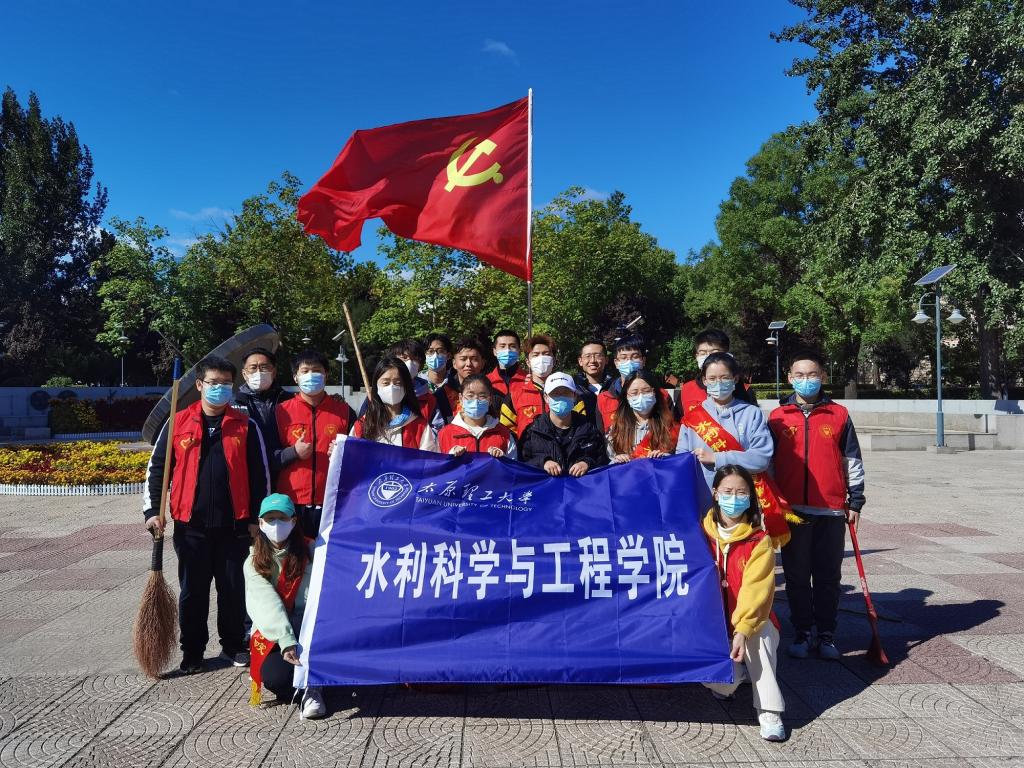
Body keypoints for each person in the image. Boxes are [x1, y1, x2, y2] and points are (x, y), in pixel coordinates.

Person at [143, 354, 270, 674]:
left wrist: (256, 518)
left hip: (235, 527)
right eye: (213, 383)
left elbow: (260, 475)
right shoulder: (178, 422)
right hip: (191, 527)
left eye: (226, 384)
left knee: (233, 590)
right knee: (193, 592)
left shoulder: (245, 425)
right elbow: (158, 469)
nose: (220, 388)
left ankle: (233, 645)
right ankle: (193, 651)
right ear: (199, 385)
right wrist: (152, 511)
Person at [768, 350, 865, 660]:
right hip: (792, 511)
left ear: (823, 376)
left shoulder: (839, 414)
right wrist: (770, 503)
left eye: (812, 374)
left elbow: (852, 460)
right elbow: (768, 464)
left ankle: (826, 634)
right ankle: (802, 631)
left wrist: (855, 500)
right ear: (789, 378)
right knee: (796, 576)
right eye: (799, 375)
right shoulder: (777, 417)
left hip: (831, 510)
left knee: (827, 577)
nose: (806, 380)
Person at [702, 465, 787, 742]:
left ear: (750, 496)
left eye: (741, 492)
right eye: (727, 491)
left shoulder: (759, 541)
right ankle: (736, 678)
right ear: (715, 493)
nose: (734, 498)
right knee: (723, 684)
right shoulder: (700, 534)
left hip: (750, 625)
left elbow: (756, 592)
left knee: (758, 633)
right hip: (714, 630)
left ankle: (769, 711)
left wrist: (742, 629)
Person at [676, 353, 790, 546]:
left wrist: (717, 458)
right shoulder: (693, 418)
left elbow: (761, 458)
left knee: (742, 553)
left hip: (741, 501)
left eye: (724, 378)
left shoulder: (751, 414)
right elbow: (681, 461)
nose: (718, 383)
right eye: (712, 378)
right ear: (704, 381)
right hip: (704, 500)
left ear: (735, 378)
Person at [244, 493, 324, 719]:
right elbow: (267, 604)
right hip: (277, 630)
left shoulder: (311, 550)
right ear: (261, 523)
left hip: (308, 625)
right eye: (270, 519)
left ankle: (313, 689)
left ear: (294, 521)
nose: (276, 524)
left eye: (282, 518)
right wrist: (287, 640)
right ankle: (306, 685)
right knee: (275, 678)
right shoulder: (254, 561)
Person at [275, 350, 357, 537]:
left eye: (317, 370)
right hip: (291, 502)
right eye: (305, 371)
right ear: (295, 377)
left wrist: (343, 453)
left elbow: (359, 455)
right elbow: (268, 458)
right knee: (296, 554)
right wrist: (293, 452)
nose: (311, 375)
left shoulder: (344, 411)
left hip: (333, 502)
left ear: (326, 374)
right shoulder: (281, 412)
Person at [519, 372, 609, 476]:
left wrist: (587, 463)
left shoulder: (589, 429)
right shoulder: (533, 431)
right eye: (555, 393)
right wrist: (543, 462)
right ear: (546, 397)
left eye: (566, 393)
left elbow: (601, 458)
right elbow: (521, 464)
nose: (561, 397)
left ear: (574, 396)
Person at [353, 356, 439, 451]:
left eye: (398, 383)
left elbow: (429, 458)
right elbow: (351, 455)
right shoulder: (363, 425)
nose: (392, 388)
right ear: (376, 386)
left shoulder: (419, 426)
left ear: (406, 387)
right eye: (386, 383)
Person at [597, 334, 679, 431]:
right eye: (624, 357)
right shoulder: (604, 399)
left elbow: (673, 430)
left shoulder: (662, 396)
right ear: (616, 363)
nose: (629, 362)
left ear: (643, 360)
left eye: (635, 357)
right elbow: (601, 434)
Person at [234, 347, 292, 483]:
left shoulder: (289, 400)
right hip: (248, 473)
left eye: (264, 367)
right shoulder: (233, 402)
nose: (258, 372)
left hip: (285, 471)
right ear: (244, 374)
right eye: (253, 368)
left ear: (274, 372)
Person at [359, 340, 440, 430]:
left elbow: (437, 429)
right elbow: (362, 427)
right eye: (404, 358)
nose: (410, 363)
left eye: (415, 359)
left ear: (421, 364)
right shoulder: (376, 396)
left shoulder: (429, 400)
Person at [437, 374, 517, 458]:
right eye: (470, 396)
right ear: (461, 398)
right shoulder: (445, 434)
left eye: (482, 396)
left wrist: (502, 459)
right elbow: (436, 463)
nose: (475, 401)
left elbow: (513, 464)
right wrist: (451, 457)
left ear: (490, 400)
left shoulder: (503, 434)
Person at [606, 371, 679, 462]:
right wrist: (618, 460)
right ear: (626, 396)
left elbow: (679, 459)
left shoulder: (671, 427)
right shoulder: (616, 429)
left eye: (646, 391)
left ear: (655, 392)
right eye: (634, 393)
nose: (640, 396)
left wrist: (665, 457)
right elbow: (610, 464)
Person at [681, 329, 757, 414]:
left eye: (714, 353)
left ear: (727, 355)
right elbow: (679, 420)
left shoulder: (745, 390)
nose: (708, 357)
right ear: (697, 356)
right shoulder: (687, 389)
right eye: (703, 353)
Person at [508, 334, 559, 436]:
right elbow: (506, 429)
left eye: (546, 354)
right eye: (535, 355)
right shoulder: (514, 394)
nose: (541, 358)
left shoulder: (568, 391)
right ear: (528, 362)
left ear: (554, 360)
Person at [438, 337, 488, 421]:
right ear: (454, 363)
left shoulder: (492, 393)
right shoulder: (441, 395)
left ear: (483, 363)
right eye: (463, 359)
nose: (468, 364)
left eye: (474, 359)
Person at [422, 333, 456, 424]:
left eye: (440, 351)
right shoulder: (417, 385)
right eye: (430, 351)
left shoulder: (456, 384)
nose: (435, 355)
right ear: (425, 355)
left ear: (448, 355)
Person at [488, 330, 527, 398]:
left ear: (519, 351)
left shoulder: (529, 379)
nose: (507, 350)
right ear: (494, 351)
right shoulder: (486, 381)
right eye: (502, 346)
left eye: (512, 346)